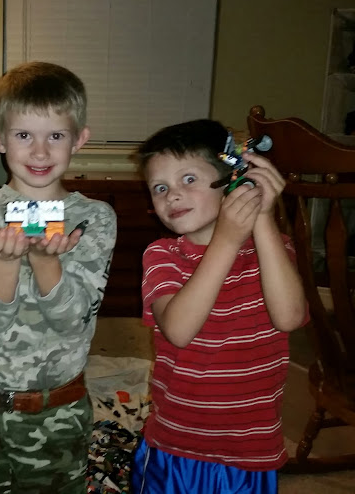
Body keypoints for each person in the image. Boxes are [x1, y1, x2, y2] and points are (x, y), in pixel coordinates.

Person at [0, 61, 117, 493]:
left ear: (79, 139)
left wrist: (46, 263)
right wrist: (4, 264)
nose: (40, 152)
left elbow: (72, 322)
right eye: (24, 135)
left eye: (56, 136)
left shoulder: (95, 218)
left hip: (57, 411)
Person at [129, 119, 308, 494]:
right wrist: (226, 240)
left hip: (251, 451)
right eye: (160, 188)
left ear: (233, 181)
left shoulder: (273, 249)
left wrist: (261, 214)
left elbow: (289, 318)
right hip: (177, 445)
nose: (172, 196)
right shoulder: (162, 255)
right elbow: (178, 330)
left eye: (188, 179)